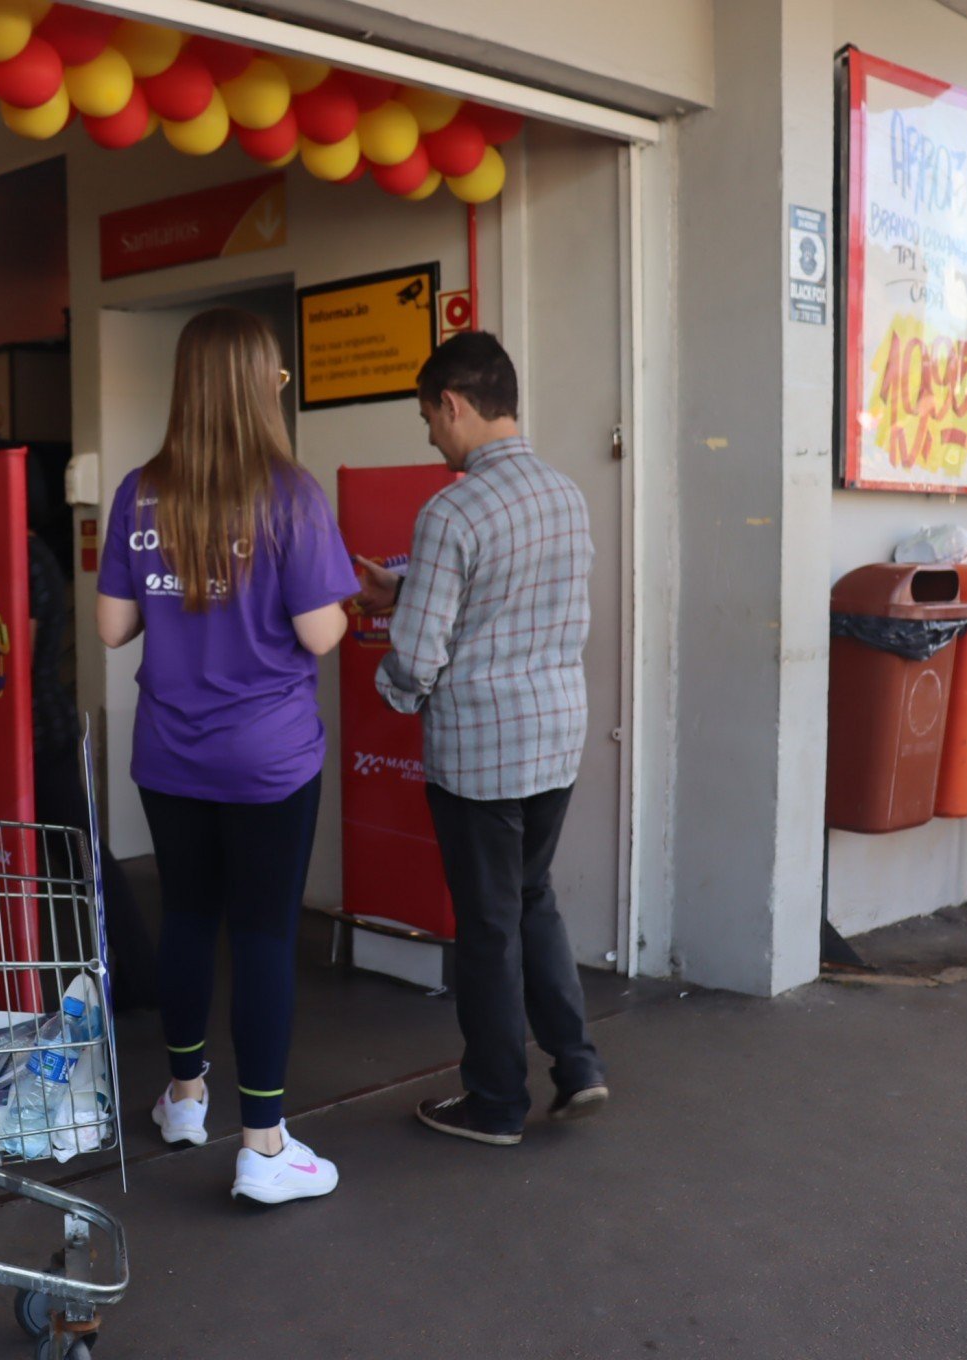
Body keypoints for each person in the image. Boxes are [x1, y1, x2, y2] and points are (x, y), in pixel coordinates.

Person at [96, 307, 355, 1205]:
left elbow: (113, 624)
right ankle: (266, 1144)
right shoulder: (290, 492)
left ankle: (182, 1095)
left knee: (186, 920)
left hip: (170, 752)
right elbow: (322, 633)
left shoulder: (139, 490)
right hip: (268, 760)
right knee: (262, 934)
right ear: (260, 386)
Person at [356, 331, 608, 1147]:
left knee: (487, 928)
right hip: (553, 742)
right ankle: (578, 1065)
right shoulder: (566, 494)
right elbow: (509, 600)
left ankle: (497, 1103)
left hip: (480, 757)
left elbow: (420, 657)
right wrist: (405, 587)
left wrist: (387, 684)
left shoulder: (453, 507)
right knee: (532, 900)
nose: (431, 436)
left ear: (454, 403)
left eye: (431, 417)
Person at [26, 525, 159, 1012]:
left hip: (41, 737)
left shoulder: (28, 556)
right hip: (29, 736)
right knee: (79, 860)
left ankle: (144, 976)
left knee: (86, 860)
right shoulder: (18, 554)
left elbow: (15, 656)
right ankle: (143, 975)